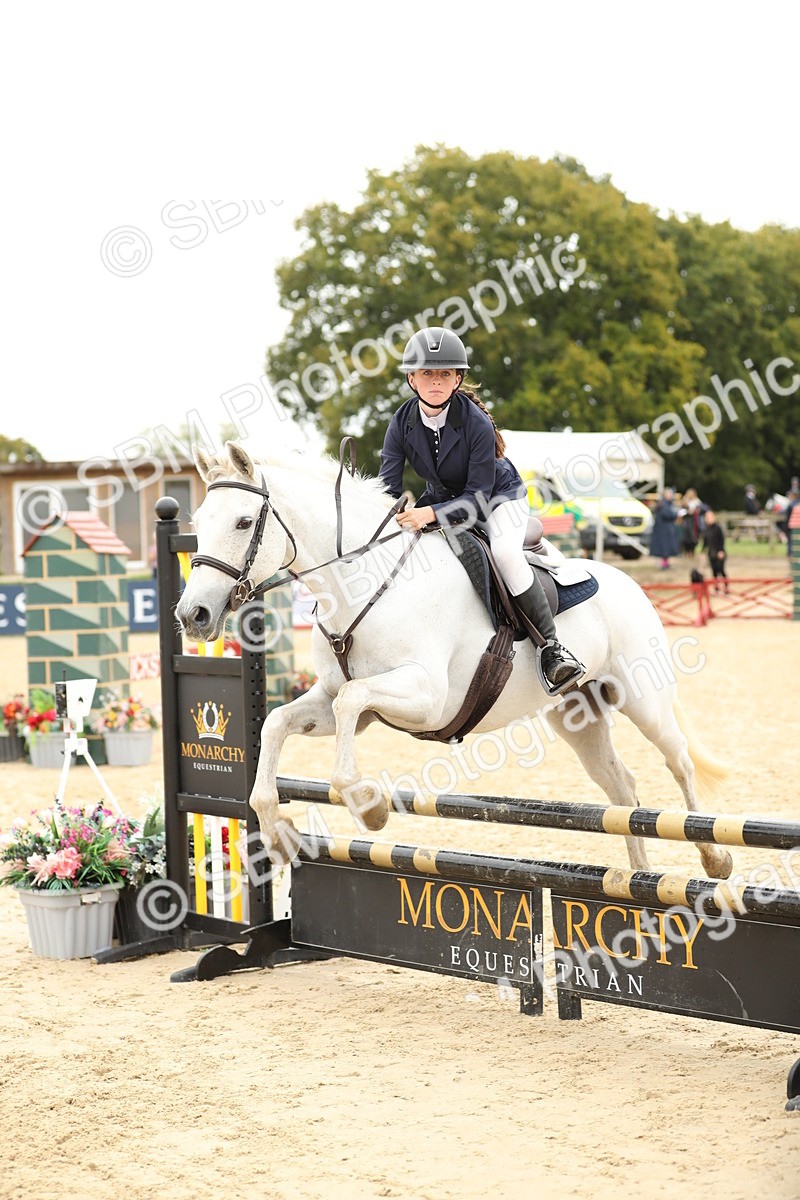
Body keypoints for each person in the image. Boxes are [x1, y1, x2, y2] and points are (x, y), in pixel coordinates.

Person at [378, 327, 583, 694]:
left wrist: (428, 515)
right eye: (427, 373)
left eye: (444, 374)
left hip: (497, 498)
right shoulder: (401, 422)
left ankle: (552, 649)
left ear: (457, 379)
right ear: (411, 378)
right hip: (442, 497)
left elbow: (476, 498)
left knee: (505, 552)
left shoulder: (475, 421)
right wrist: (384, 516)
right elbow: (387, 487)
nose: (435, 382)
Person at [649, 487, 681, 569]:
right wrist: (675, 513)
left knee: (666, 548)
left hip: (666, 529)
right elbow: (667, 514)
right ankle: (664, 564)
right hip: (663, 530)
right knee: (664, 548)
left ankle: (665, 563)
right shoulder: (663, 504)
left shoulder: (666, 503)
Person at [702, 510, 728, 592]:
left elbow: (722, 540)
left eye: (711, 517)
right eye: (708, 517)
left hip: (719, 551)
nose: (709, 519)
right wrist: (702, 551)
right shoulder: (706, 529)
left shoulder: (718, 528)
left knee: (721, 570)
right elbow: (705, 542)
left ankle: (726, 586)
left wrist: (721, 551)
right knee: (714, 571)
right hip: (711, 553)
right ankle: (716, 587)